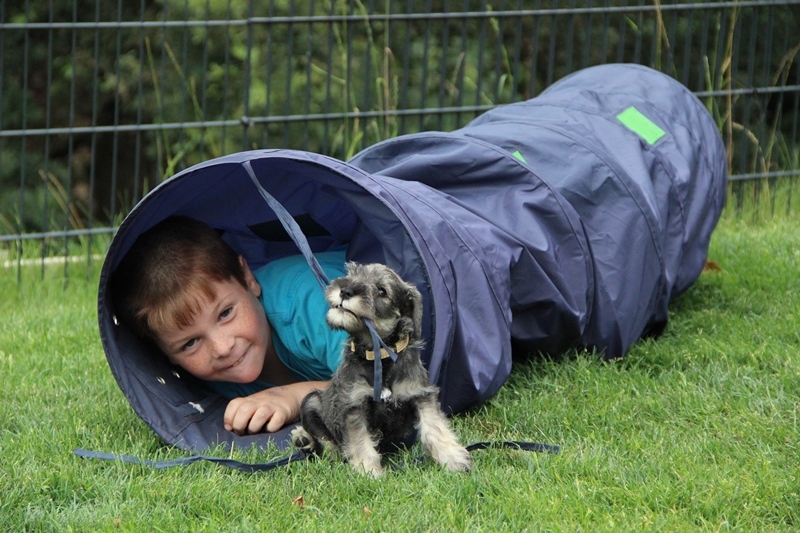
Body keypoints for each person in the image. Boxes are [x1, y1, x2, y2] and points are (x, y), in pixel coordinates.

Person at [110, 215, 348, 436]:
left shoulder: (311, 301)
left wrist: (295, 398)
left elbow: (379, 379)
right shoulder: (201, 378)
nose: (222, 348)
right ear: (164, 353)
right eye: (190, 343)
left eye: (225, 313)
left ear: (247, 278)